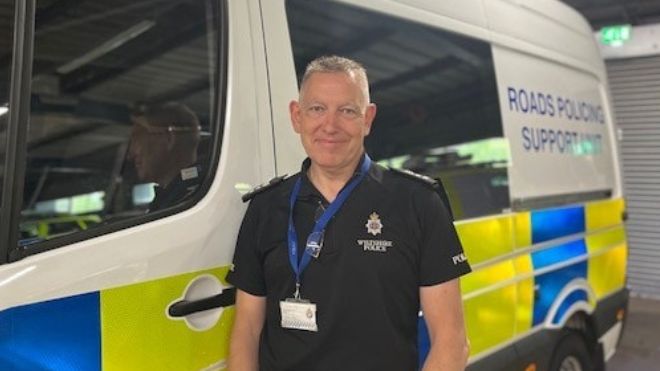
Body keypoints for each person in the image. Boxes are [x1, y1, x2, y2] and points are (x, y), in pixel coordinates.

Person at [226, 55, 471, 371]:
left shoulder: (418, 203)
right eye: (317, 109)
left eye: (347, 111)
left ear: (367, 119)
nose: (330, 125)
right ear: (296, 116)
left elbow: (452, 343)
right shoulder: (264, 208)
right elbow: (246, 329)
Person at [127, 102, 202, 212]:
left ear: (168, 139)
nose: (131, 154)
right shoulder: (196, 195)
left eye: (138, 139)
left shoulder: (190, 202)